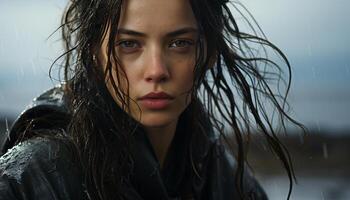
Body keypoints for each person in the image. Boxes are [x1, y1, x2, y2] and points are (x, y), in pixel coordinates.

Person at [0, 0, 303, 199]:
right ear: (94, 53)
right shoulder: (34, 177)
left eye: (179, 43)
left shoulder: (222, 178)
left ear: (207, 53)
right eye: (129, 44)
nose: (157, 71)